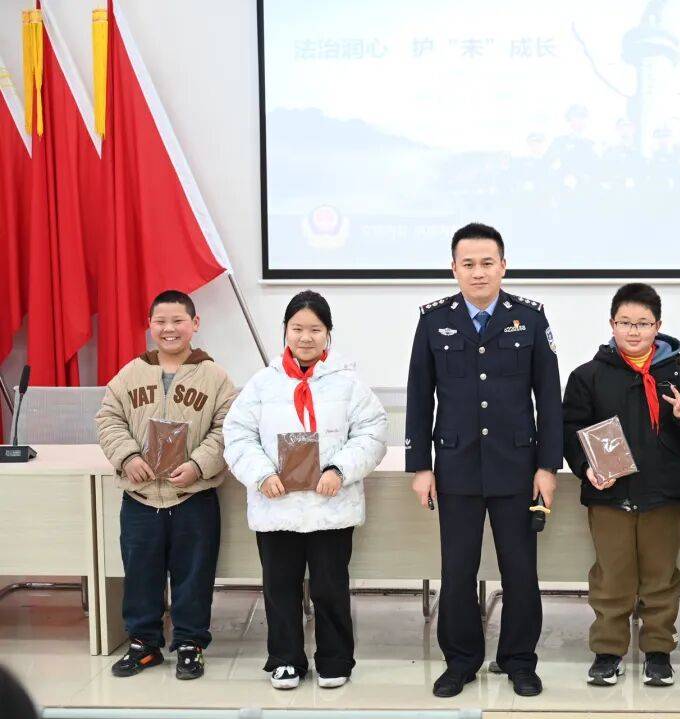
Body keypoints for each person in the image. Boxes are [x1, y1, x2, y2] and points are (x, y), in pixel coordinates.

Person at [405, 222, 562, 698]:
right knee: (457, 571)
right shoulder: (434, 320)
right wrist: (421, 466)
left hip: (516, 466)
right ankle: (460, 661)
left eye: (487, 263)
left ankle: (519, 661)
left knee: (520, 571)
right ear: (454, 268)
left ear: (503, 266)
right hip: (456, 466)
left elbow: (548, 398)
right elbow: (419, 396)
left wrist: (547, 466)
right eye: (468, 264)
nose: (478, 272)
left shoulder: (529, 319)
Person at [223, 290, 388, 690]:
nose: (305, 337)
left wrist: (339, 469)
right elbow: (237, 435)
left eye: (315, 329)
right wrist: (262, 474)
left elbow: (373, 431)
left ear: (328, 333)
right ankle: (285, 660)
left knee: (330, 587)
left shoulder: (348, 383)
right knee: (280, 587)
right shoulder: (262, 384)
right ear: (285, 331)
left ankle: (335, 659)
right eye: (297, 328)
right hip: (276, 505)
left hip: (330, 504)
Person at [562, 283, 680, 687]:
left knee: (661, 577)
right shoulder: (588, 376)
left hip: (663, 494)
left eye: (643, 323)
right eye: (625, 322)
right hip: (609, 494)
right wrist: (585, 468)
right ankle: (608, 651)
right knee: (612, 576)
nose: (633, 330)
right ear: (612, 324)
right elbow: (570, 430)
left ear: (658, 326)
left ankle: (658, 651)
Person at [96, 290, 237, 680]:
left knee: (194, 576)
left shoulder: (215, 377)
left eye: (178, 321)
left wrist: (198, 465)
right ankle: (144, 645)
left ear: (195, 324)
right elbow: (108, 419)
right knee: (141, 574)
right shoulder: (131, 373)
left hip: (194, 496)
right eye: (160, 321)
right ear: (150, 325)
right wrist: (128, 457)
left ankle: (190, 645)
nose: (169, 329)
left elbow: (228, 429)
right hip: (141, 497)